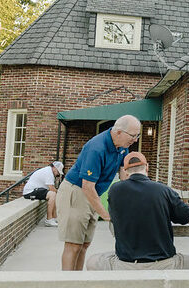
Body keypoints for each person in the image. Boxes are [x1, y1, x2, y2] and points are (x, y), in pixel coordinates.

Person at [86, 152, 189, 270]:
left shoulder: (114, 190)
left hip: (126, 264)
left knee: (92, 261)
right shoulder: (163, 190)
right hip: (164, 263)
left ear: (126, 172)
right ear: (147, 167)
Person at [56, 114, 141, 271]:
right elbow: (87, 186)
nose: (135, 140)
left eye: (138, 135)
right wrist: (108, 216)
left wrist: (130, 194)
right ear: (119, 132)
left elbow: (123, 171)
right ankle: (66, 283)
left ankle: (78, 281)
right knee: (73, 244)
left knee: (84, 244)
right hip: (76, 192)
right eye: (133, 135)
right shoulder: (96, 147)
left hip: (92, 193)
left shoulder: (122, 146)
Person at [22, 161, 64, 227]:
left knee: (54, 194)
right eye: (58, 172)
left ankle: (54, 218)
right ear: (54, 168)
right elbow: (51, 188)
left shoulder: (48, 171)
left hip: (36, 190)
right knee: (52, 194)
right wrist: (61, 194)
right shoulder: (48, 172)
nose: (58, 174)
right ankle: (49, 220)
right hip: (30, 192)